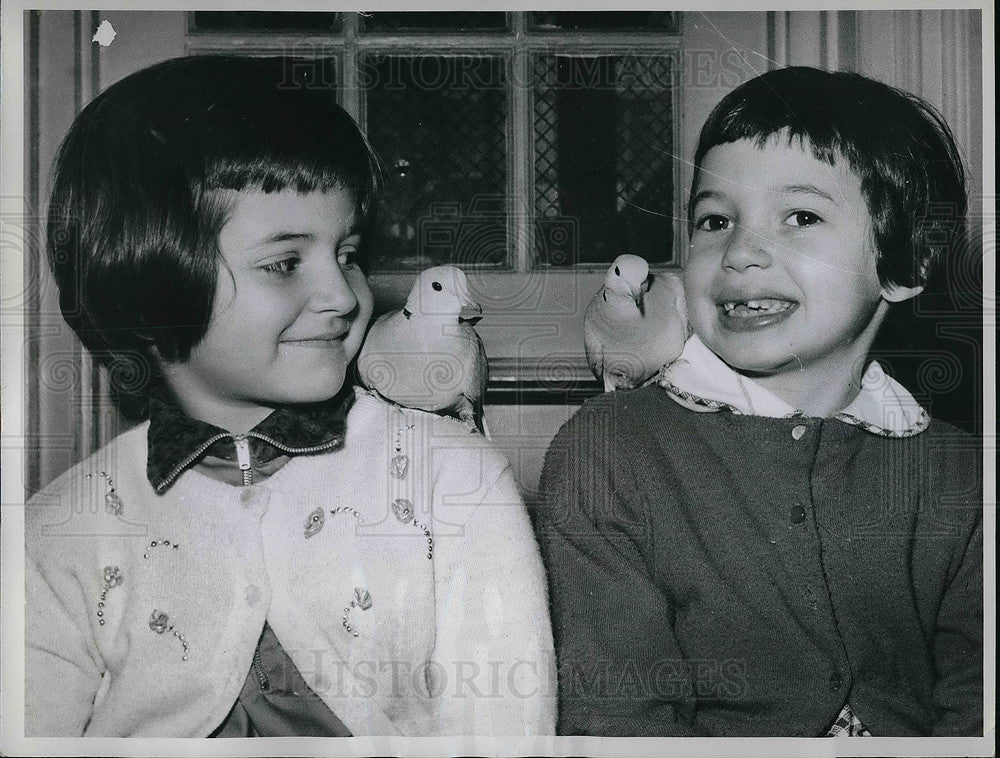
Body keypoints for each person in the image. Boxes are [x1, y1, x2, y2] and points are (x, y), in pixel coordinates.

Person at [25, 55, 555, 738]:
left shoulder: (455, 483)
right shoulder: (59, 533)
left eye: (348, 252)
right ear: (151, 285)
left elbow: (505, 730)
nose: (342, 296)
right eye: (285, 263)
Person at [535, 66, 982, 737]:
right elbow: (622, 724)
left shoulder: (964, 475)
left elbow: (980, 706)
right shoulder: (610, 455)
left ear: (907, 261)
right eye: (715, 220)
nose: (740, 251)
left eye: (800, 216)